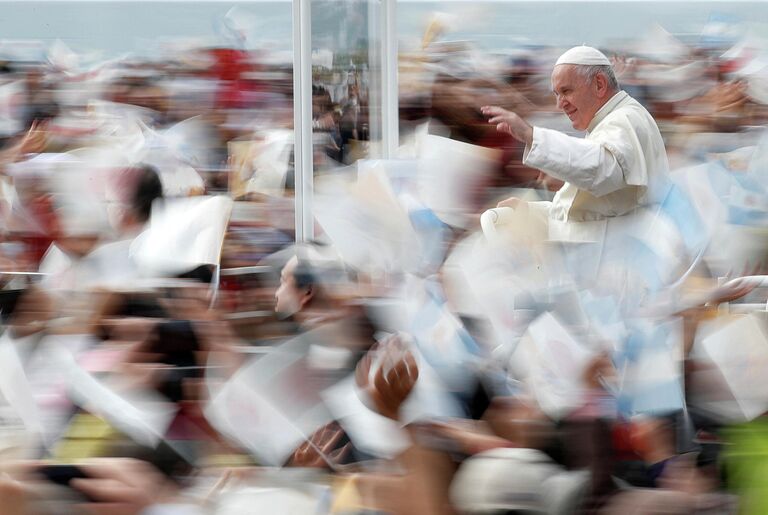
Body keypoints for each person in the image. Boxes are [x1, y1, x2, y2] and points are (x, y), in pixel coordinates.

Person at [482, 45, 670, 243]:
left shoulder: (625, 119)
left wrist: (531, 136)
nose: (559, 104)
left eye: (566, 91)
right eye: (556, 94)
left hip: (616, 264)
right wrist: (529, 211)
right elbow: (584, 217)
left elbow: (601, 169)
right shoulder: (611, 121)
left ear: (599, 84)